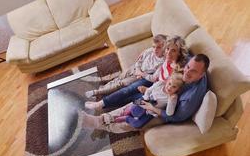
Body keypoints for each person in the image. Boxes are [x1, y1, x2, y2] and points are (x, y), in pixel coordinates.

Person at [81, 54, 210, 133]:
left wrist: (152, 108)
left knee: (135, 120)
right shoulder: (189, 61)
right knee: (133, 103)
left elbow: (175, 117)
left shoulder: (191, 97)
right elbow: (174, 50)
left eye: (193, 71)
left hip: (162, 111)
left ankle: (98, 123)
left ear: (201, 75)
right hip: (156, 93)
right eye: (188, 67)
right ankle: (102, 117)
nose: (187, 72)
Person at [85, 35, 188, 110]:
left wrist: (147, 88)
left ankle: (104, 105)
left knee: (131, 97)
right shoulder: (167, 59)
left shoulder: (176, 71)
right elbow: (156, 75)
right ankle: (101, 103)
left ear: (179, 52)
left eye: (173, 51)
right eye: (168, 49)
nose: (168, 52)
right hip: (152, 83)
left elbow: (162, 86)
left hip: (156, 90)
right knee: (128, 89)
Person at [85, 34, 167, 98]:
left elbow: (153, 77)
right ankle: (104, 88)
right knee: (119, 78)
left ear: (164, 48)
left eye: (159, 47)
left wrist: (141, 74)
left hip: (140, 76)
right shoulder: (149, 51)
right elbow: (139, 60)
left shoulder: (162, 62)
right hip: (134, 68)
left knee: (121, 83)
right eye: (153, 47)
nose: (155, 49)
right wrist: (138, 68)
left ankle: (97, 92)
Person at [113, 72, 184, 128]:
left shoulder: (172, 98)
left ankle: (127, 118)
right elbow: (149, 90)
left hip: (152, 111)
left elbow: (169, 113)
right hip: (145, 99)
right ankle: (124, 113)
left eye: (174, 87)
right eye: (169, 84)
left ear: (178, 89)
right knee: (132, 109)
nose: (169, 87)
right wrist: (146, 99)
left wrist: (172, 100)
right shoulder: (160, 84)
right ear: (167, 81)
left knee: (138, 125)